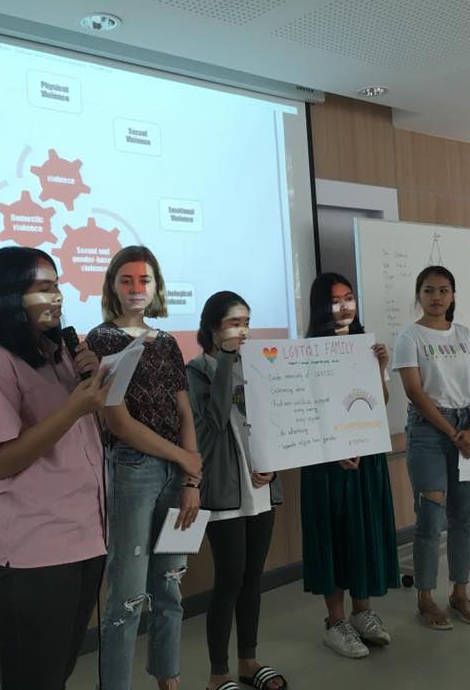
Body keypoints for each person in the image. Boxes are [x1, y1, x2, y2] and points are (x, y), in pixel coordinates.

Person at [0, 247, 111, 690]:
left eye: (57, 286)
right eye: (42, 288)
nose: (57, 297)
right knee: (33, 678)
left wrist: (93, 385)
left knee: (57, 671)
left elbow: (86, 435)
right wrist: (74, 407)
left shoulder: (59, 354)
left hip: (84, 534)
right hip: (32, 546)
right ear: (7, 297)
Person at [87, 245, 202, 690]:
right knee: (127, 598)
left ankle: (167, 677)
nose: (136, 288)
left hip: (179, 476)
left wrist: (191, 478)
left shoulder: (167, 342)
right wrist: (183, 458)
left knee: (170, 584)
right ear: (112, 287)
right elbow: (118, 422)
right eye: (127, 279)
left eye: (145, 280)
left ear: (157, 287)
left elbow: (184, 411)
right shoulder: (101, 341)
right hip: (133, 469)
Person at [186, 291, 287, 690]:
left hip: (260, 484)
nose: (242, 331)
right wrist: (227, 358)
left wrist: (272, 464)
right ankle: (218, 674)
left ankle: (249, 662)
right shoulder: (196, 371)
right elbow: (213, 418)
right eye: (233, 323)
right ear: (213, 329)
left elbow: (273, 419)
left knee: (252, 577)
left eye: (246, 323)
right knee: (229, 579)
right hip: (224, 489)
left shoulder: (256, 365)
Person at [300, 272, 397, 659]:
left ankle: (362, 613)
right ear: (320, 307)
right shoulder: (306, 351)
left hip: (365, 454)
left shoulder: (365, 345)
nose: (345, 306)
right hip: (327, 462)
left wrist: (379, 368)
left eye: (349, 298)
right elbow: (303, 410)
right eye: (335, 300)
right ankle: (335, 621)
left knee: (363, 530)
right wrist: (333, 448)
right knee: (333, 534)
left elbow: (379, 400)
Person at [393, 266, 470, 629]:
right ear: (418, 295)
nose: (436, 297)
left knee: (463, 516)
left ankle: (460, 593)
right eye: (429, 290)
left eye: (444, 290)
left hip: (467, 429)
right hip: (428, 431)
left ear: (453, 295)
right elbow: (414, 392)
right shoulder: (409, 336)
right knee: (431, 518)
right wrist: (452, 431)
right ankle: (426, 599)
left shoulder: (465, 335)